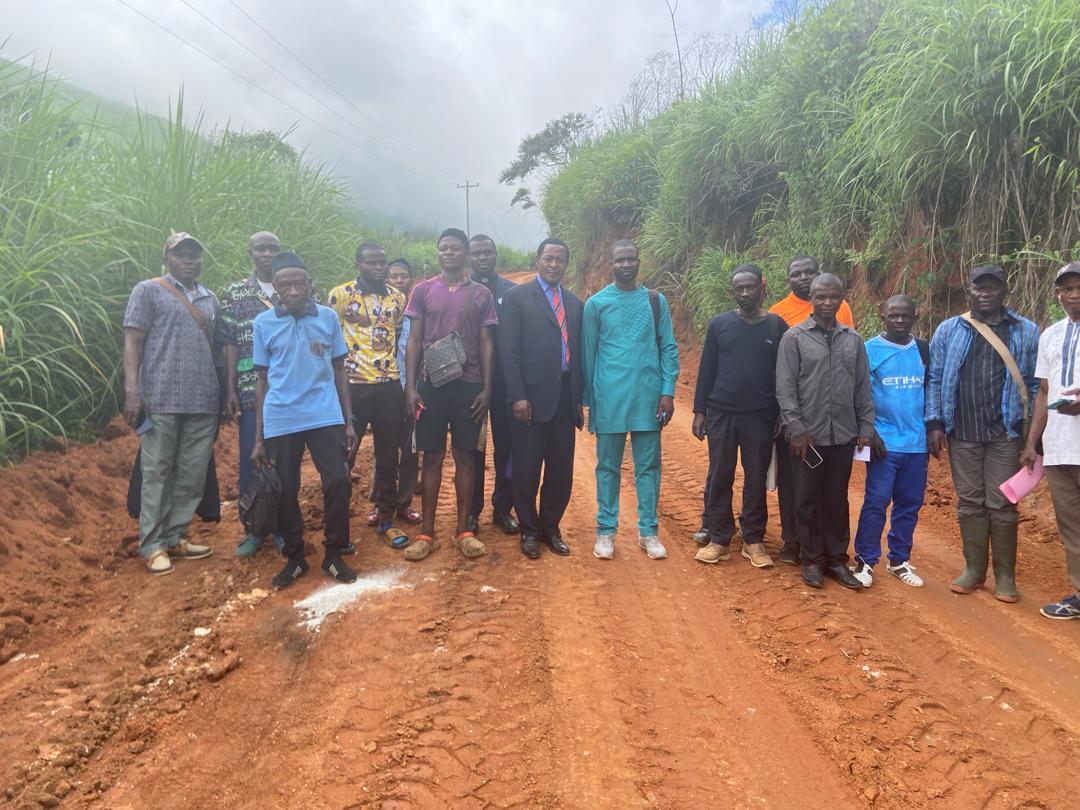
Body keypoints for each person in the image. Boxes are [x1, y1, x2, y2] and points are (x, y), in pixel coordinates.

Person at [926, 266, 1039, 603]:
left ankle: (1005, 575)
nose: (985, 293)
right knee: (971, 501)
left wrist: (1030, 431)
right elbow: (934, 378)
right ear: (969, 291)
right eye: (979, 288)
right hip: (963, 431)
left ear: (1004, 292)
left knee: (1003, 503)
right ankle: (975, 569)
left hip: (1005, 430)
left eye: (992, 288)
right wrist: (934, 423)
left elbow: (1034, 384)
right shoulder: (949, 330)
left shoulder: (1026, 331)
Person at [251, 252, 357, 589]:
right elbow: (262, 380)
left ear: (310, 285)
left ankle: (333, 553)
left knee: (339, 481)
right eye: (285, 285)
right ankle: (296, 557)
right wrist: (258, 438)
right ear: (276, 289)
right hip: (281, 417)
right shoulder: (262, 324)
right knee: (285, 489)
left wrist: (348, 419)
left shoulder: (327, 318)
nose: (294, 290)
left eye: (300, 283)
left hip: (325, 414)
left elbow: (340, 369)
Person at [122, 232, 219, 576]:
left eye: (195, 254)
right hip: (160, 397)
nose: (189, 260)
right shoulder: (148, 290)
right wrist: (132, 390)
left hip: (203, 399)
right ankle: (152, 544)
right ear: (167, 257)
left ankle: (176, 536)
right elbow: (133, 340)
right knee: (157, 471)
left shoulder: (209, 299)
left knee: (192, 474)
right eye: (181, 254)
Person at [403, 228, 498, 561]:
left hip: (469, 385)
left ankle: (464, 531)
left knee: (465, 457)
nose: (448, 253)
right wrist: (411, 387)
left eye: (455, 248)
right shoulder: (422, 290)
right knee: (431, 457)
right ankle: (427, 533)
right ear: (437, 252)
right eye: (443, 248)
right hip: (432, 385)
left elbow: (487, 343)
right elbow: (414, 341)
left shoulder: (482, 294)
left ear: (466, 254)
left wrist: (488, 387)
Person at [582, 239, 680, 561]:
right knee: (607, 467)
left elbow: (668, 348)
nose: (626, 265)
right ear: (611, 265)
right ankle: (605, 531)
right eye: (619, 260)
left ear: (639, 262)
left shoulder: (655, 301)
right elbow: (588, 356)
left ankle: (648, 532)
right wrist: (591, 405)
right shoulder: (596, 304)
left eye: (631, 259)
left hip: (648, 399)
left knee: (648, 467)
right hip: (609, 399)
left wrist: (667, 391)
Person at [776, 273, 872, 590]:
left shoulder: (853, 340)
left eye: (834, 297)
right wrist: (796, 428)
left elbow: (863, 388)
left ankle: (836, 560)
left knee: (837, 499)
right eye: (821, 296)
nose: (827, 302)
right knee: (806, 499)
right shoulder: (794, 338)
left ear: (842, 298)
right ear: (812, 299)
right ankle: (812, 560)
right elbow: (786, 389)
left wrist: (866, 426)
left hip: (843, 435)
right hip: (808, 438)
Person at [692, 264, 786, 568]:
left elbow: (782, 375)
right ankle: (719, 538)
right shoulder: (719, 325)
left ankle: (753, 540)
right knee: (720, 474)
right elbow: (707, 370)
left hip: (760, 416)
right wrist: (699, 410)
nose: (745, 293)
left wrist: (781, 414)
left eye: (750, 287)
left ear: (762, 286)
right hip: (721, 413)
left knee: (756, 478)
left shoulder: (776, 326)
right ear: (732, 291)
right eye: (739, 288)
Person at [500, 238, 584, 559]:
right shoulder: (517, 298)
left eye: (559, 260)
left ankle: (551, 528)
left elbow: (579, 354)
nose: (553, 265)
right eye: (547, 259)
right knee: (526, 468)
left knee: (561, 469)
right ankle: (529, 530)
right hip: (530, 400)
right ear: (537, 260)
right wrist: (517, 396)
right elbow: (509, 352)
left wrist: (578, 397)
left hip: (564, 397)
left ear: (566, 264)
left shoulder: (575, 303)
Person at [769, 255, 856, 564]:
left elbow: (848, 362)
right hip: (794, 417)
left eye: (810, 272)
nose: (804, 277)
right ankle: (794, 542)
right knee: (796, 485)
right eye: (797, 273)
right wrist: (785, 416)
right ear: (789, 278)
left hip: (836, 420)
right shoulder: (779, 314)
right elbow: (780, 373)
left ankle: (828, 552)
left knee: (832, 491)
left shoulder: (843, 313)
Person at [328, 242, 409, 549]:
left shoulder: (397, 298)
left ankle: (386, 519)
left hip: (389, 385)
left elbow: (397, 337)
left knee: (388, 456)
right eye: (371, 263)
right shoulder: (340, 295)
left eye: (382, 263)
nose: (378, 268)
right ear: (357, 264)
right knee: (342, 456)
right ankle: (339, 527)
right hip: (352, 387)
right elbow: (330, 336)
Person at [850, 295, 929, 588]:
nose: (899, 320)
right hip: (883, 443)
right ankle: (865, 561)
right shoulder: (869, 349)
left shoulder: (922, 349)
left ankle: (898, 560)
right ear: (882, 315)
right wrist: (870, 432)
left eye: (905, 316)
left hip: (917, 444)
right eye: (893, 315)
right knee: (876, 502)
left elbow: (930, 391)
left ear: (914, 317)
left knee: (909, 504)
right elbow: (860, 395)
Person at [217, 230, 285, 557]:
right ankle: (254, 529)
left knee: (284, 461)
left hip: (289, 391)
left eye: (274, 248)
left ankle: (283, 526)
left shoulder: (296, 286)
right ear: (250, 253)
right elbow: (229, 342)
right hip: (248, 390)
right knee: (251, 459)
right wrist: (229, 388)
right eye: (261, 248)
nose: (268, 253)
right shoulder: (235, 293)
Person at [1022, 263, 1080, 619]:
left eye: (1079, 287)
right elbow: (1043, 391)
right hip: (1059, 448)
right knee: (1071, 526)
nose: (1073, 295)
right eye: (1066, 289)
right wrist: (1032, 443)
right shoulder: (1051, 335)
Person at [467, 234, 519, 536]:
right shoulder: (462, 291)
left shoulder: (511, 293)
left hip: (504, 384)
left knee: (507, 448)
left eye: (487, 253)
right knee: (473, 449)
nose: (482, 258)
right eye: (476, 254)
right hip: (471, 382)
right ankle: (472, 512)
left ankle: (503, 509)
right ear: (469, 257)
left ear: (496, 255)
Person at [383, 258, 422, 526]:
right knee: (384, 449)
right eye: (393, 276)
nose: (398, 280)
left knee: (410, 448)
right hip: (383, 388)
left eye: (403, 276)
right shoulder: (378, 310)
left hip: (412, 387)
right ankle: (380, 502)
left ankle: (405, 502)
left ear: (411, 278)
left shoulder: (419, 307)